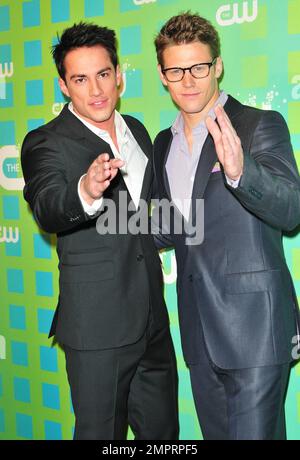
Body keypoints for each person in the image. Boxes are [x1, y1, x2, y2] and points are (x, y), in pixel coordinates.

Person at [21, 22, 179, 440]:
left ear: (119, 75)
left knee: (164, 436)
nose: (95, 90)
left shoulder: (139, 133)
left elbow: (144, 218)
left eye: (103, 74)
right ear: (63, 85)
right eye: (80, 78)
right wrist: (86, 191)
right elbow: (47, 206)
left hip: (152, 324)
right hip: (97, 330)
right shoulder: (45, 143)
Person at [153, 11, 300, 440]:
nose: (189, 80)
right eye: (176, 70)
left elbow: (291, 210)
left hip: (258, 330)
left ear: (217, 65)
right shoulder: (164, 143)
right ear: (162, 76)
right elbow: (172, 227)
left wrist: (240, 172)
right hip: (199, 331)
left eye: (199, 67)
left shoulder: (259, 124)